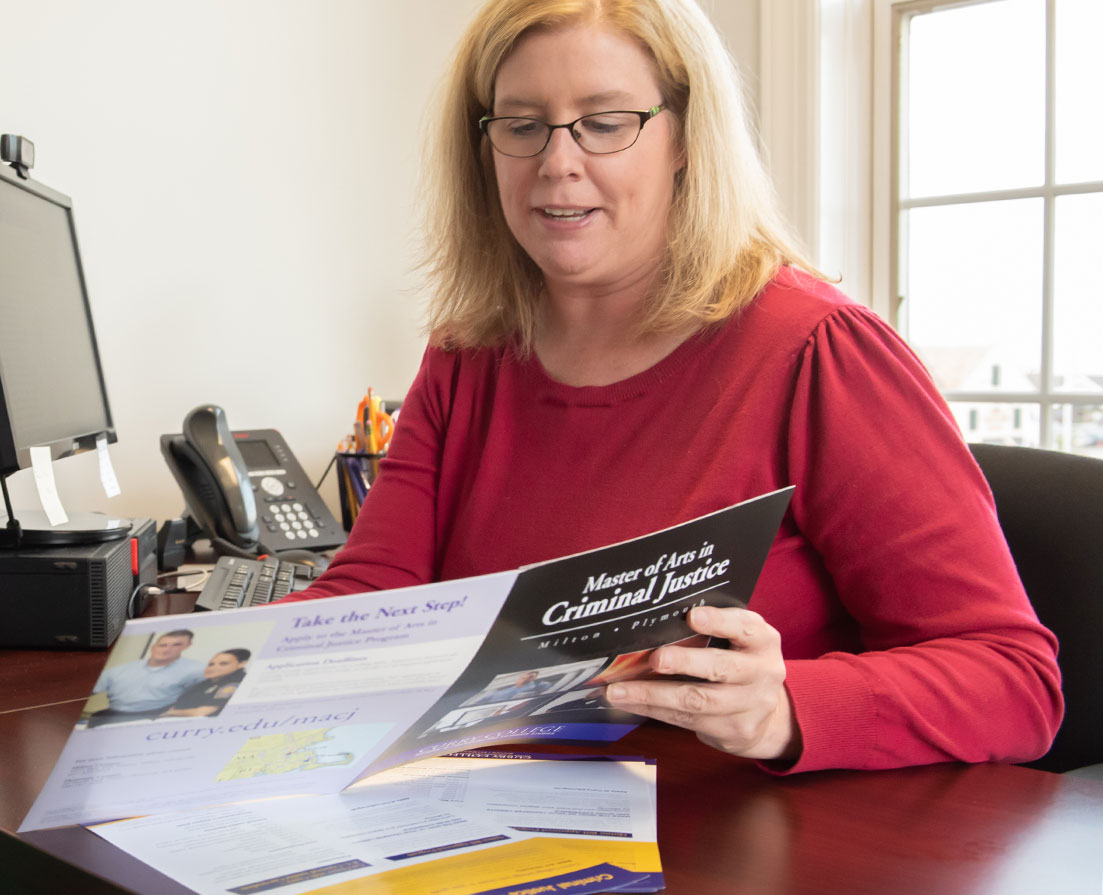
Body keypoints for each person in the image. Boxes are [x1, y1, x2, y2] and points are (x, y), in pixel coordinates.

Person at [279, 0, 1061, 773]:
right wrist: (204, 667)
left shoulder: (817, 352)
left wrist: (785, 707)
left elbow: (1013, 679)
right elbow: (373, 597)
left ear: (686, 136)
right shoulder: (467, 353)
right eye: (521, 125)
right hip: (492, 819)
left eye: (606, 121)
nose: (557, 162)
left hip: (738, 840)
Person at [87, 630, 206, 726]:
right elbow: (88, 693)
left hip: (156, 714)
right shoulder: (119, 670)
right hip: (114, 714)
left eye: (176, 645)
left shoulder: (195, 670)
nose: (167, 649)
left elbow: (201, 697)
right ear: (153, 647)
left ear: (187, 646)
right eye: (163, 645)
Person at [162, 649, 252, 718]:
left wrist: (168, 713)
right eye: (211, 664)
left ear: (241, 664)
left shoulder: (234, 683)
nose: (213, 668)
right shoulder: (206, 683)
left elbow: (201, 713)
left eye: (223, 664)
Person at [474, 670, 556, 705]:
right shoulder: (509, 687)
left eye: (531, 677)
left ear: (534, 678)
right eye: (523, 677)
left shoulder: (536, 686)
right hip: (487, 702)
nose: (526, 679)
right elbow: (492, 695)